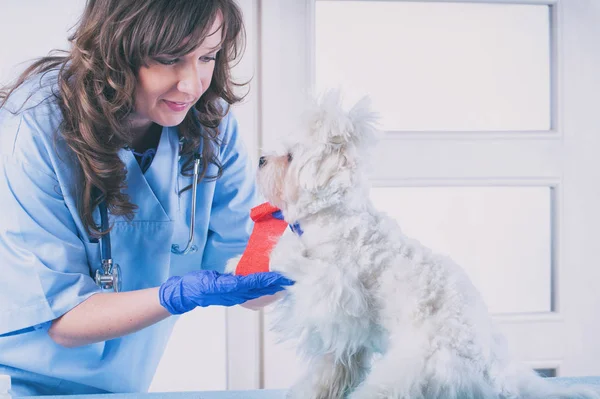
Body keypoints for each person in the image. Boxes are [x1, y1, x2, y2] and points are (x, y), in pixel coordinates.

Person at [0, 0, 293, 396]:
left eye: (207, 56)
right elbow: (60, 316)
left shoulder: (209, 122)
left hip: (123, 385)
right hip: (16, 382)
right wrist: (176, 295)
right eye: (170, 58)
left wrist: (296, 255)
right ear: (117, 49)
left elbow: (243, 275)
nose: (191, 84)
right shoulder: (33, 130)